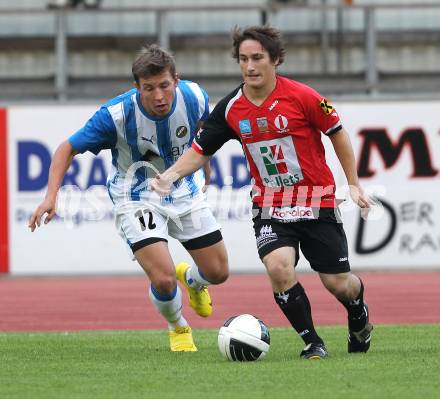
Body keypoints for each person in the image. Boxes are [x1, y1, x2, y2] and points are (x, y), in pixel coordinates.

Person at [151, 26, 373, 360]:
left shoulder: (303, 97)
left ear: (275, 60)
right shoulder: (230, 109)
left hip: (317, 201)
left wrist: (353, 183)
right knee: (278, 267)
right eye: (243, 59)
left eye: (257, 58)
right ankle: (312, 342)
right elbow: (200, 150)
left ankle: (357, 312)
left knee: (338, 283)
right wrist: (169, 175)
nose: (250, 66)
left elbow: (337, 133)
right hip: (270, 204)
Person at [28, 44, 229, 352]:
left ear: (176, 80)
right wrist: (50, 196)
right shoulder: (116, 115)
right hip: (136, 197)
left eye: (164, 85)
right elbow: (67, 148)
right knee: (163, 279)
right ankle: (178, 327)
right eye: (149, 89)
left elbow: (203, 135)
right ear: (137, 87)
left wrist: (207, 169)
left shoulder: (195, 97)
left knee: (219, 272)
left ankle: (192, 280)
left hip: (185, 189)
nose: (159, 96)